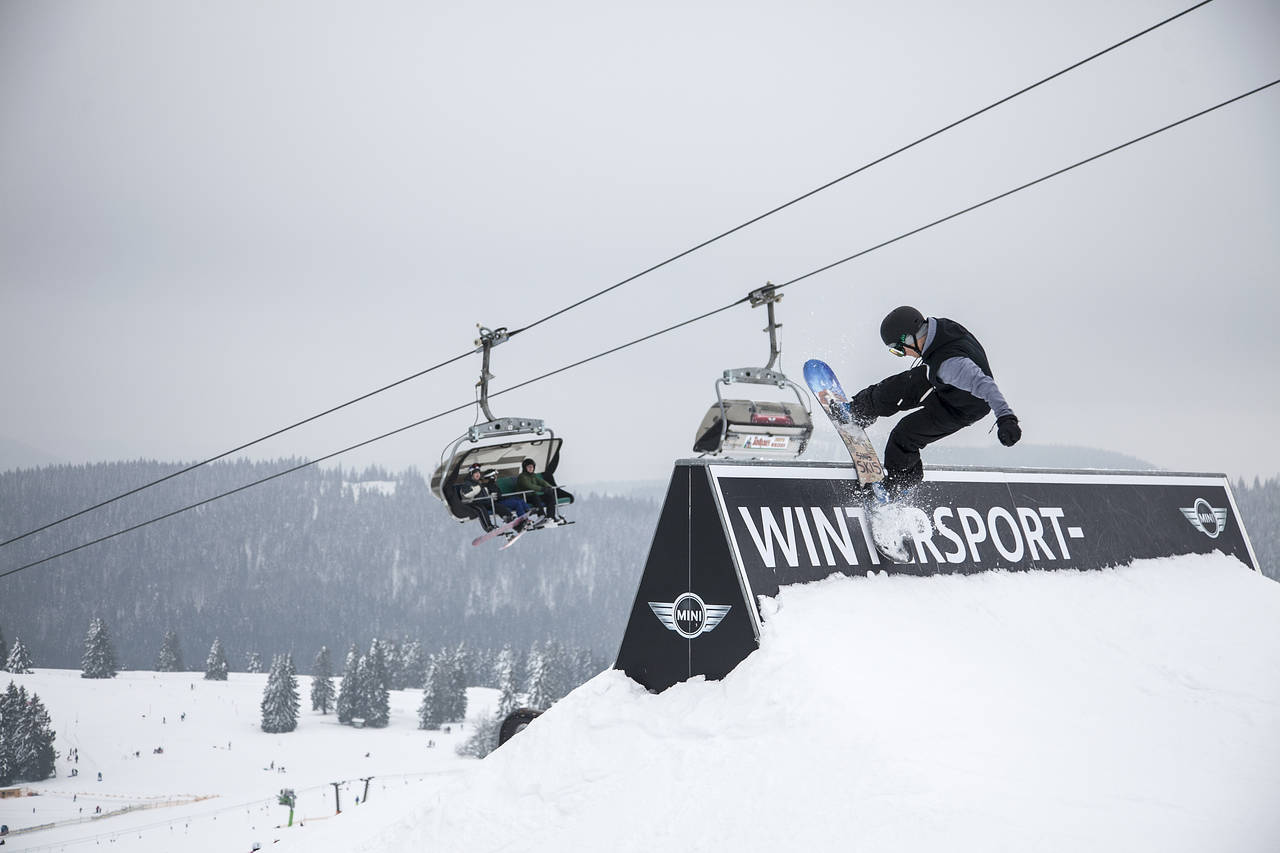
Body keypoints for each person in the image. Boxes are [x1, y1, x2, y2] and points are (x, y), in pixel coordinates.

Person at [844, 306, 1021, 495]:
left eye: (898, 350)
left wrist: (1005, 418)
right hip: (942, 381)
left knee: (905, 433)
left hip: (960, 407)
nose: (902, 355)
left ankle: (900, 483)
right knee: (900, 386)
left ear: (909, 339)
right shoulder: (939, 330)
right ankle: (859, 410)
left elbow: (985, 384)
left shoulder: (950, 365)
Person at [456, 463, 530, 531]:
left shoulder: (480, 483)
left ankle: (511, 520)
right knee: (481, 509)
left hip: (484, 501)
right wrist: (478, 487)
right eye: (475, 473)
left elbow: (486, 492)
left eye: (478, 472)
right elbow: (467, 494)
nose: (478, 474)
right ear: (471, 474)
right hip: (473, 503)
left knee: (497, 506)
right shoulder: (467, 484)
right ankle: (488, 527)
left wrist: (491, 496)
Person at [515, 458, 563, 525]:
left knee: (550, 497)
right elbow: (529, 486)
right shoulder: (522, 477)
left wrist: (549, 487)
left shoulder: (533, 476)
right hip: (525, 496)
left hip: (533, 495)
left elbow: (542, 482)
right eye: (529, 467)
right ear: (525, 468)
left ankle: (550, 517)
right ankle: (541, 516)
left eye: (532, 467)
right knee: (535, 496)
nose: (531, 468)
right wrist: (542, 489)